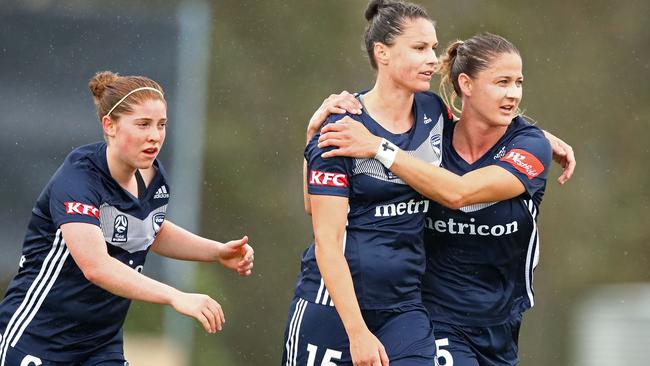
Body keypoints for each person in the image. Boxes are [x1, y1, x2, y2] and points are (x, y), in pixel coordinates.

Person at [309, 33, 571, 366]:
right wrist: (318, 128)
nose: (513, 94)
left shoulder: (530, 146)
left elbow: (460, 192)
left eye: (518, 82)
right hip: (435, 317)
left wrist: (379, 147)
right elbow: (380, 124)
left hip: (501, 321)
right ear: (467, 84)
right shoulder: (430, 141)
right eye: (501, 82)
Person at [0, 71, 254, 366]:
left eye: (161, 125)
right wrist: (175, 296)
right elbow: (95, 267)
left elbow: (149, 229)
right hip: (39, 339)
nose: (155, 136)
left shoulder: (153, 177)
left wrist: (216, 251)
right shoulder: (78, 181)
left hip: (100, 346)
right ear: (110, 125)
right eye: (143, 124)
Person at [282, 1, 451, 365]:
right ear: (383, 53)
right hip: (331, 311)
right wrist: (357, 332)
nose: (433, 59)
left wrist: (539, 139)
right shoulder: (340, 126)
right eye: (420, 48)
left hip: (403, 309)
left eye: (434, 48)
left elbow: (483, 135)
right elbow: (325, 235)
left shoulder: (435, 113)